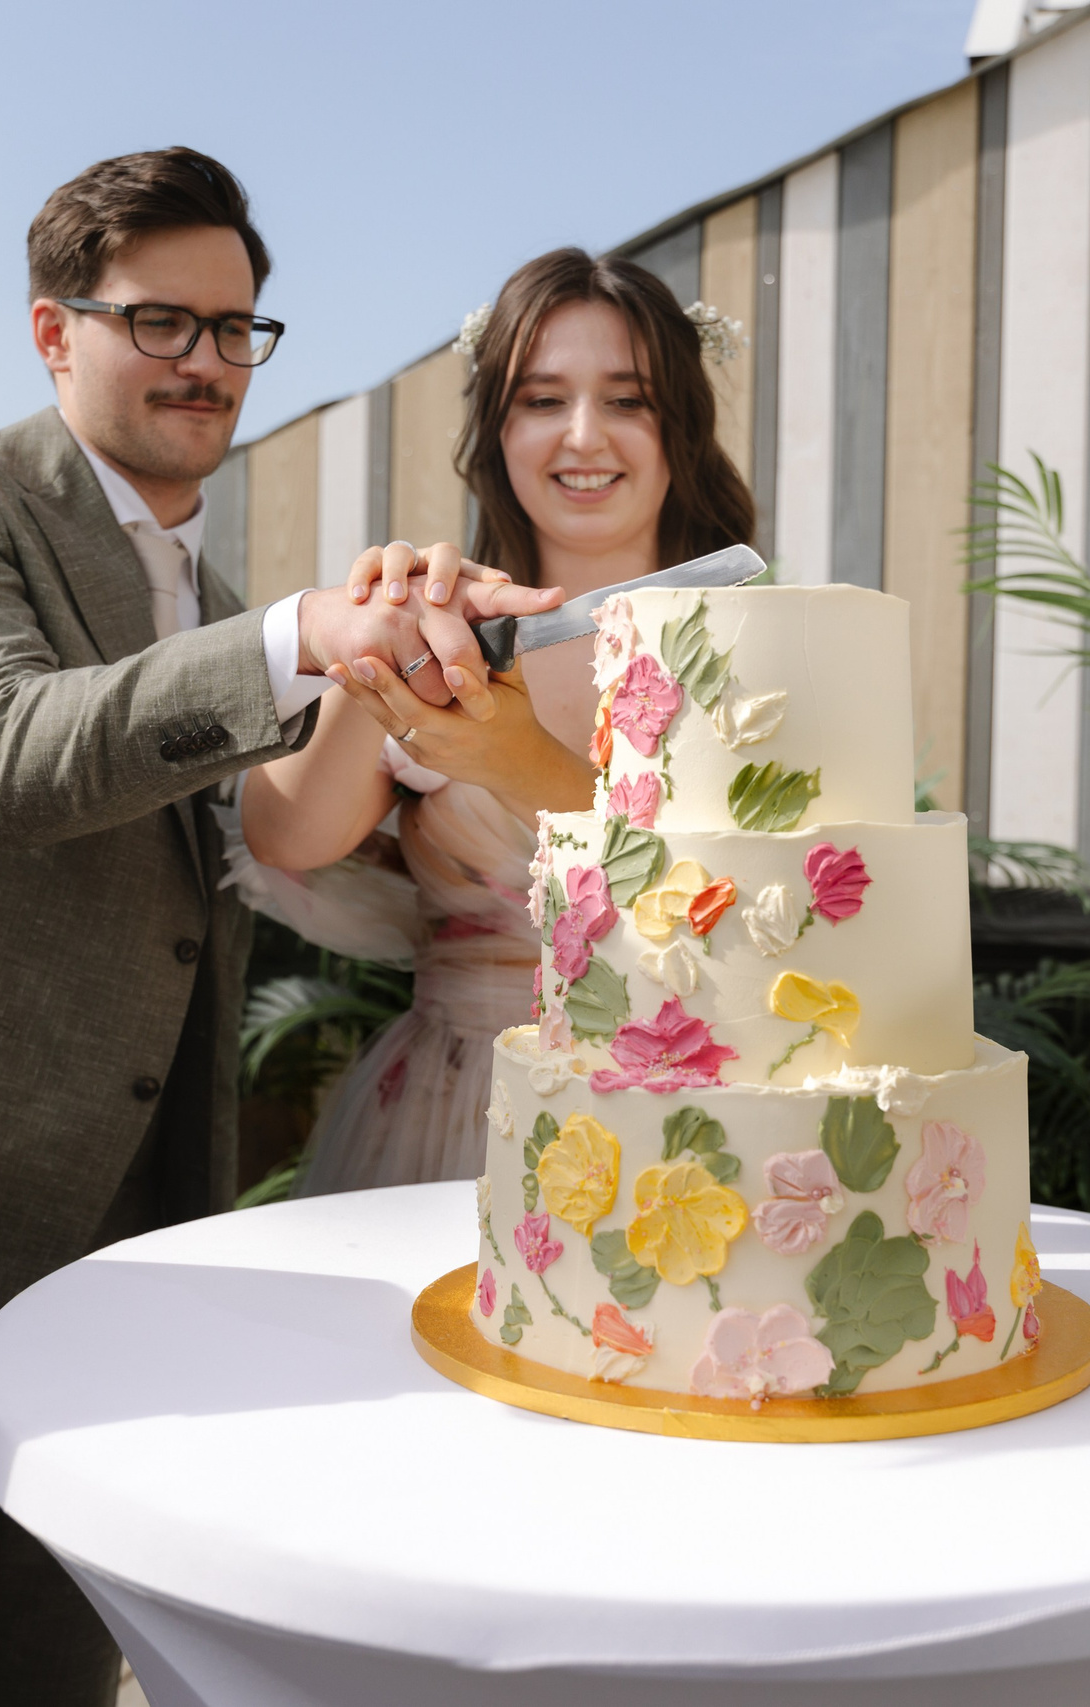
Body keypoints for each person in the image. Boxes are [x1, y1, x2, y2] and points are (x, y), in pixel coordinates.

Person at [0, 147, 558, 1706]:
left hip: (93, 1293)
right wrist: (303, 635)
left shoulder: (210, 600)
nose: (207, 360)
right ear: (54, 332)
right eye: (160, 321)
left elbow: (257, 855)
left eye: (235, 328)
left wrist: (400, 678)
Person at [235, 248, 754, 1194]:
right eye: (543, 399)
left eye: (628, 400)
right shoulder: (447, 633)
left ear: (681, 424)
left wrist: (518, 761)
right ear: (497, 430)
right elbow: (285, 836)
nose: (584, 436)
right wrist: (384, 630)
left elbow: (755, 917)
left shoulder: (765, 645)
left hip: (689, 1127)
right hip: (448, 1120)